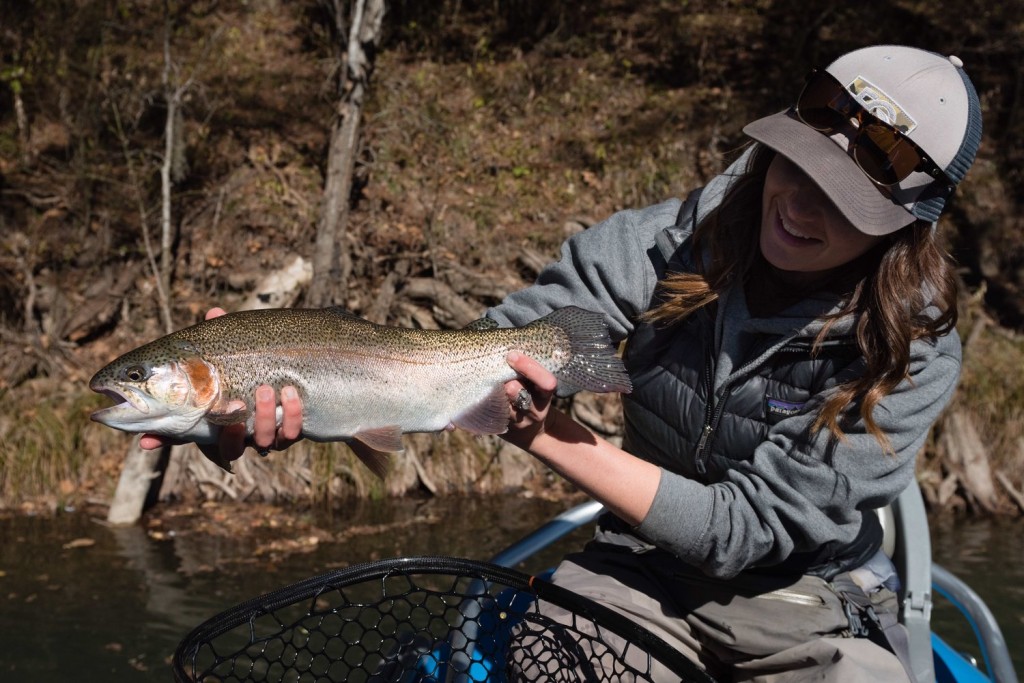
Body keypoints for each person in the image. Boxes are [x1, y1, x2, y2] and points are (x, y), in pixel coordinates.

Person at [144, 44, 982, 681]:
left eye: (844, 197)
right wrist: (291, 378)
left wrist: (548, 437)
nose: (799, 203)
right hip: (638, 573)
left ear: (911, 222)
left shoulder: (914, 346)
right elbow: (504, 342)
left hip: (807, 602)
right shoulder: (675, 238)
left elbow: (745, 529)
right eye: (796, 165)